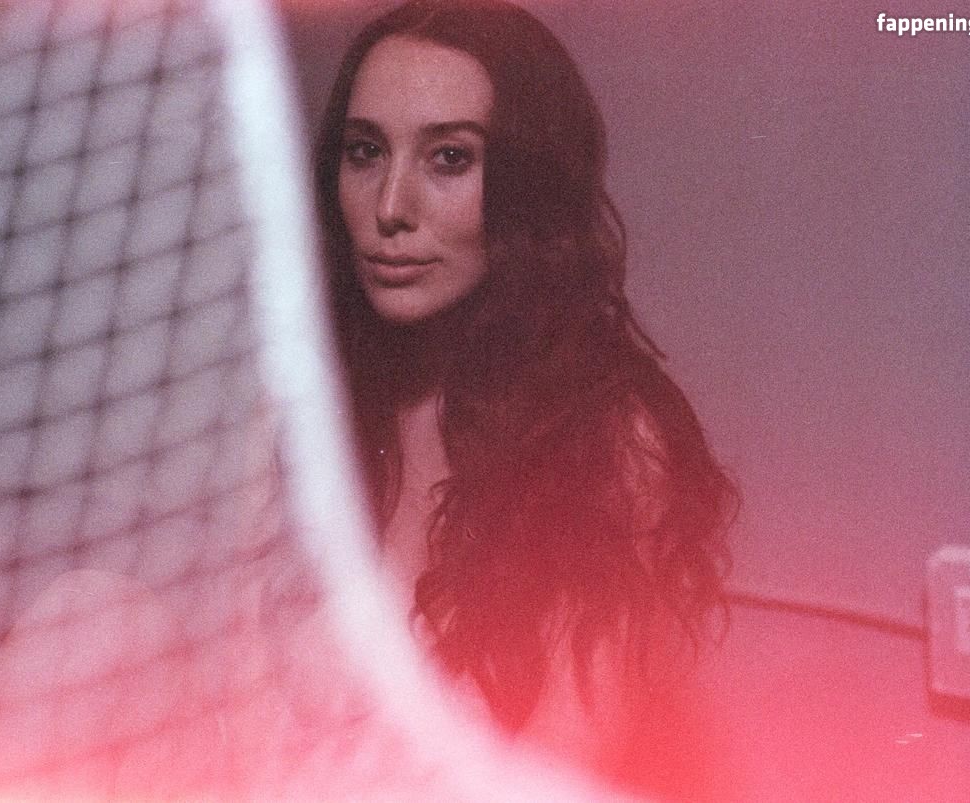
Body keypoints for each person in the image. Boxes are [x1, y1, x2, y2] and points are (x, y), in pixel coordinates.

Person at [312, 0, 736, 795]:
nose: (390, 206)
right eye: (364, 151)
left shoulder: (606, 439)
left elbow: (564, 764)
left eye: (448, 159)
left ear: (528, 186)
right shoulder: (306, 408)